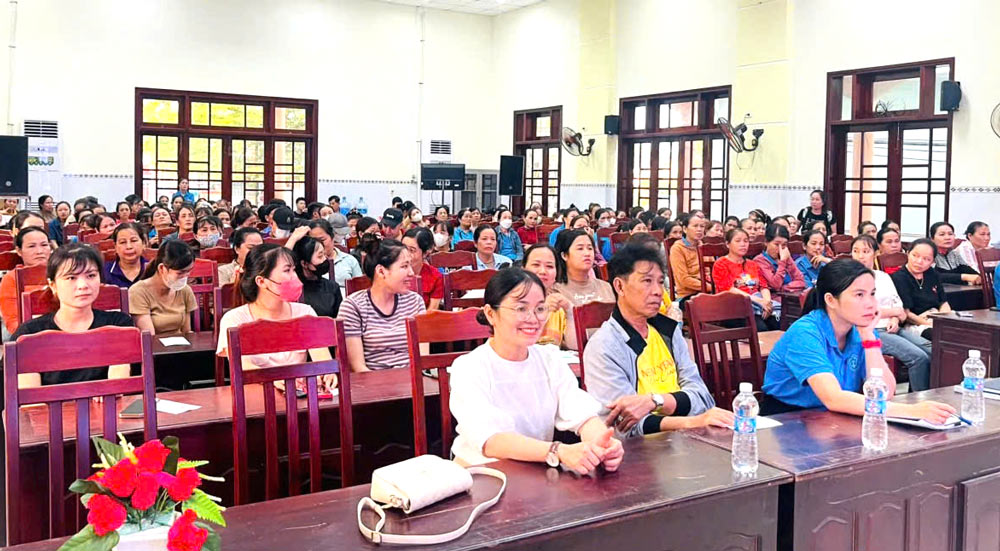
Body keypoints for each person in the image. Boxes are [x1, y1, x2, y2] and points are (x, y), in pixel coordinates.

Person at [448, 268, 624, 472]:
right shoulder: (469, 367)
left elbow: (582, 414)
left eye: (540, 308)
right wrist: (557, 451)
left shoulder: (549, 359)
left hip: (534, 471)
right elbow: (490, 441)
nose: (533, 319)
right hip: (481, 473)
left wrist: (601, 443)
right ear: (490, 314)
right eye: (520, 308)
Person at [762, 258, 954, 422]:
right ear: (830, 300)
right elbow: (834, 398)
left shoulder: (859, 329)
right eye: (859, 295)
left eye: (872, 294)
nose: (870, 303)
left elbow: (885, 393)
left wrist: (869, 338)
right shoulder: (805, 333)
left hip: (836, 418)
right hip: (788, 420)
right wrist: (910, 411)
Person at [584, 244, 730, 438]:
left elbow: (703, 398)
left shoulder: (668, 331)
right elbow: (626, 426)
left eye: (660, 282)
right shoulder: (604, 346)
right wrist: (691, 421)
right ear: (619, 286)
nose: (658, 291)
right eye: (647, 281)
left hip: (688, 440)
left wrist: (655, 401)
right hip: (638, 450)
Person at [216, 244, 337, 392]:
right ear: (261, 281)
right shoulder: (234, 320)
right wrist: (274, 379)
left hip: (298, 394)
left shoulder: (305, 313)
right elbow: (243, 366)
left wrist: (327, 374)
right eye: (287, 270)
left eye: (294, 270)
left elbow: (322, 359)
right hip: (255, 395)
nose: (295, 277)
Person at [13, 244, 135, 388]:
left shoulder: (118, 324)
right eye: (71, 277)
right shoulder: (29, 334)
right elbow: (29, 397)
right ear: (53, 285)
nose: (83, 285)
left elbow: (117, 386)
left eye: (91, 275)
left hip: (107, 402)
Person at [850, 235, 931, 391]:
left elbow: (898, 304)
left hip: (892, 327)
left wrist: (895, 318)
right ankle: (916, 401)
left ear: (876, 253)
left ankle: (923, 393)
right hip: (870, 330)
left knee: (932, 350)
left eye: (865, 251)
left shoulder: (883, 276)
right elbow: (860, 311)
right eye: (856, 251)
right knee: (918, 357)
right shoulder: (849, 279)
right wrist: (894, 312)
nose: (860, 256)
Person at [338, 239, 426, 371]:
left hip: (413, 377)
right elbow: (358, 367)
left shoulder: (415, 301)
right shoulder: (352, 306)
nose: (411, 273)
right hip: (372, 379)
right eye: (404, 266)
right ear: (381, 271)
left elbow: (423, 359)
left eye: (410, 265)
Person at [552, 229, 615, 350]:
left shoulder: (606, 287)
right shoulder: (556, 291)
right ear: (564, 255)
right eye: (580, 249)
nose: (587, 253)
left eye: (590, 248)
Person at [712, 228, 779, 331]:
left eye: (746, 241)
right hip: (733, 308)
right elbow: (728, 289)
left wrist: (767, 303)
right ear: (727, 244)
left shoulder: (752, 264)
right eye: (738, 241)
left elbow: (763, 286)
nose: (743, 244)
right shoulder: (721, 264)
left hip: (758, 305)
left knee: (778, 323)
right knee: (761, 328)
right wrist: (759, 301)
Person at [129, 240, 198, 337]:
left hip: (181, 344)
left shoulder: (185, 290)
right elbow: (148, 337)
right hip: (155, 345)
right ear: (162, 268)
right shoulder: (138, 292)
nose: (185, 277)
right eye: (180, 273)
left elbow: (187, 332)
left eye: (188, 271)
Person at [891, 238, 951, 341]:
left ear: (932, 261)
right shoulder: (899, 277)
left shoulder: (932, 273)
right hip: (915, 323)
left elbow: (943, 302)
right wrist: (929, 323)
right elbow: (907, 314)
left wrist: (942, 319)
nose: (919, 262)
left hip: (935, 317)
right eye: (915, 256)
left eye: (926, 259)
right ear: (908, 254)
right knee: (943, 335)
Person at [0, 227, 52, 338]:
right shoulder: (11, 279)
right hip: (25, 336)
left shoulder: (63, 273)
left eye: (44, 245)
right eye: (31, 246)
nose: (39, 251)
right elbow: (12, 322)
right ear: (19, 251)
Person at [521, 244, 571, 346]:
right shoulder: (511, 303)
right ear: (523, 270)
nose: (543, 271)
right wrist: (542, 310)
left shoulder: (559, 306)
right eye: (536, 265)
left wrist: (570, 312)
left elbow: (573, 346)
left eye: (549, 266)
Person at [292, 236, 342, 318]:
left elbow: (338, 320)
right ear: (304, 263)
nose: (324, 259)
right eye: (320, 256)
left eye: (324, 255)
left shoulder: (332, 287)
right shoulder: (294, 290)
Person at [308, 219, 361, 289]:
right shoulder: (307, 264)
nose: (319, 245)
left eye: (322, 240)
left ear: (332, 238)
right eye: (313, 241)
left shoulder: (350, 260)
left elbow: (360, 288)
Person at [754, 223, 806, 294]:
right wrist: (783, 262)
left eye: (784, 245)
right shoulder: (760, 261)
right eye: (776, 244)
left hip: (790, 295)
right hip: (774, 298)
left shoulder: (786, 256)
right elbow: (775, 285)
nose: (780, 249)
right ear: (766, 242)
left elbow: (801, 281)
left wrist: (783, 288)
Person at [402, 227, 444, 310]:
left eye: (412, 250)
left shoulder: (435, 277)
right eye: (403, 248)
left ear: (426, 253)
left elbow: (432, 310)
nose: (405, 254)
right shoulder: (393, 272)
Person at [928, 221, 980, 285]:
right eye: (942, 234)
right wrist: (963, 277)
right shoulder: (929, 254)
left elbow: (972, 273)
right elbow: (933, 276)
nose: (947, 238)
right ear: (932, 239)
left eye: (950, 234)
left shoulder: (955, 254)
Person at [669, 214, 706, 301]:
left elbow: (710, 273)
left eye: (702, 226)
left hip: (708, 291)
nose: (699, 229)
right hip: (687, 295)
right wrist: (709, 287)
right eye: (695, 226)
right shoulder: (677, 248)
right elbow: (684, 280)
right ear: (685, 229)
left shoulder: (704, 247)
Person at [103, 222, 149, 289]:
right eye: (123, 242)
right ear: (115, 247)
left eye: (134, 241)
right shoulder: (104, 272)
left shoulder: (153, 269)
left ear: (144, 244)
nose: (129, 246)